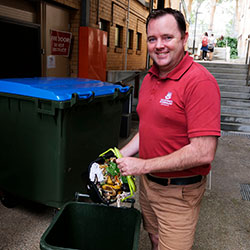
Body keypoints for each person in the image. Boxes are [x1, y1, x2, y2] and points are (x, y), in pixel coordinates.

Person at [116, 8, 221, 250]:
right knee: (153, 236)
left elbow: (204, 151)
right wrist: (121, 154)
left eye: (167, 37)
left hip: (179, 192)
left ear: (184, 39)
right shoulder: (150, 77)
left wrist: (142, 165)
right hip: (148, 183)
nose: (159, 45)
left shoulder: (200, 83)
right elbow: (149, 130)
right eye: (152, 39)